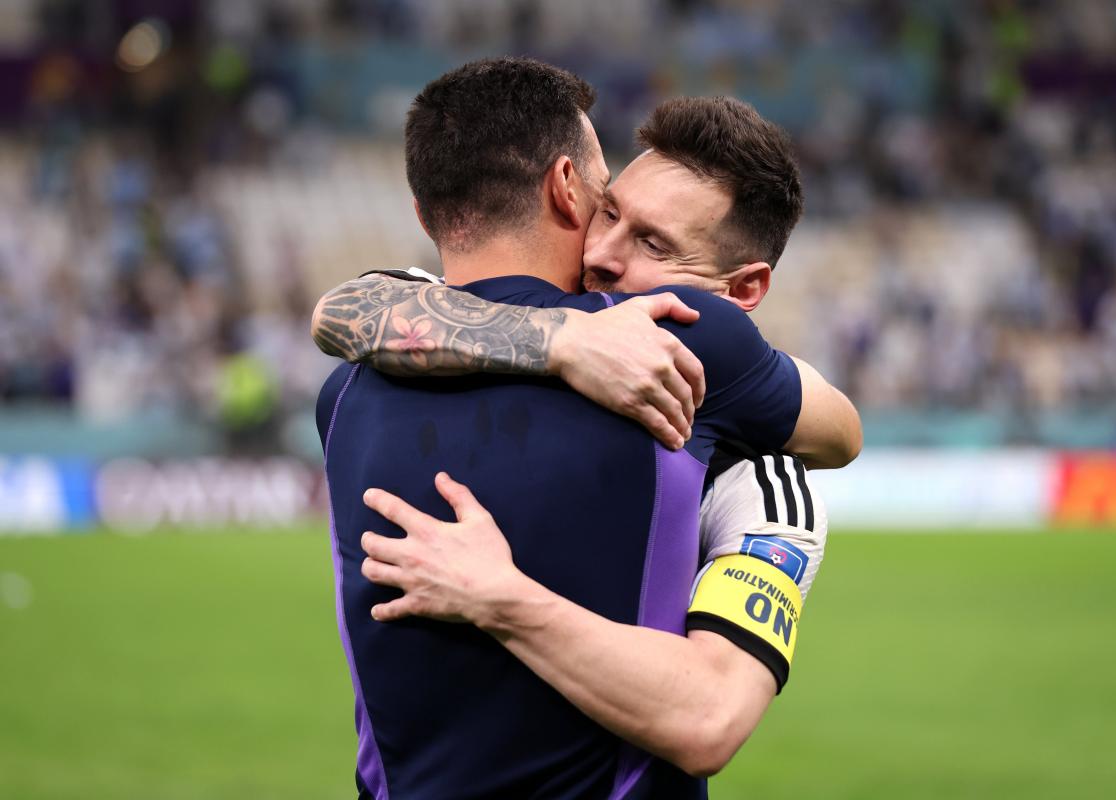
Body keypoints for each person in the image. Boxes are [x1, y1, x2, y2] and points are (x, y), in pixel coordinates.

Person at [316, 58, 835, 798]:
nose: (603, 252)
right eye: (607, 206)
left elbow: (351, 308)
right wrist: (563, 339)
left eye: (653, 244)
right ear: (567, 187)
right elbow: (839, 429)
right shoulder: (685, 348)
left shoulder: (348, 386)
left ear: (422, 208)